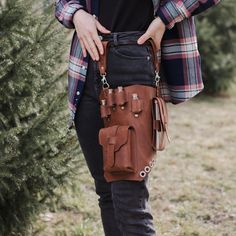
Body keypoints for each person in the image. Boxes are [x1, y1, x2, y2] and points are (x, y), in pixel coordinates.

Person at [55, 0, 221, 235]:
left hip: (134, 54)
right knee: (106, 191)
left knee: (129, 201)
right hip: (85, 61)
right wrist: (77, 15)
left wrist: (165, 18)